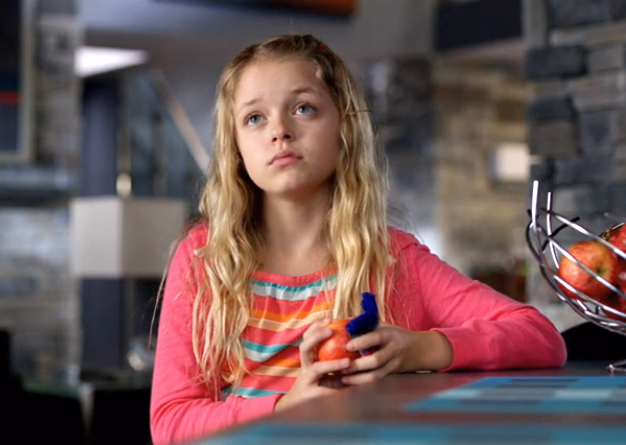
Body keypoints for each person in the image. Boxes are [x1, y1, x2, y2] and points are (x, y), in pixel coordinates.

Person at [149, 34, 567, 445]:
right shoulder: (205, 258)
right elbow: (170, 423)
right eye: (254, 118)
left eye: (303, 108)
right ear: (235, 146)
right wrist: (285, 406)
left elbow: (541, 337)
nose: (280, 130)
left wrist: (423, 349)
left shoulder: (393, 259)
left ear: (344, 127)